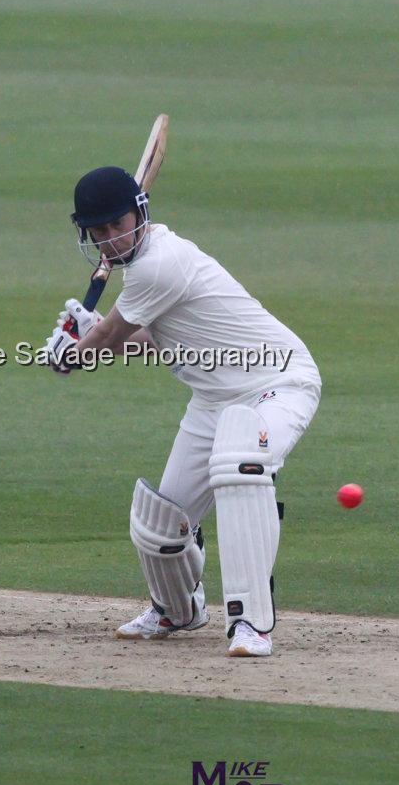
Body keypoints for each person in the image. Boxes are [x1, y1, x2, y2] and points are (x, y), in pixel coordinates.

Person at [45, 166, 321, 657]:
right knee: (159, 524)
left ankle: (250, 625)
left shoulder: (160, 262)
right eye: (100, 231)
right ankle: (177, 609)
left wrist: (79, 347)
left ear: (139, 214)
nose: (111, 239)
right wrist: (91, 333)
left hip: (278, 383)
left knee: (240, 464)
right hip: (214, 398)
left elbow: (111, 337)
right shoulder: (147, 274)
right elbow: (152, 341)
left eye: (118, 224)